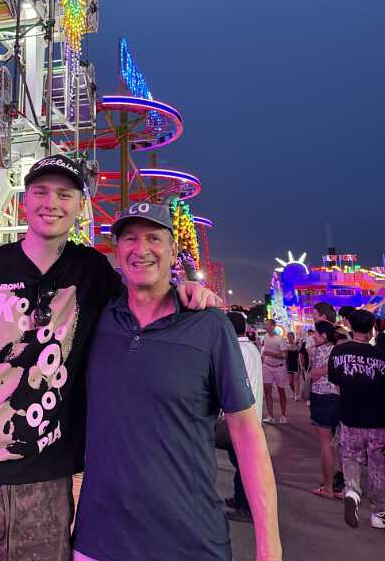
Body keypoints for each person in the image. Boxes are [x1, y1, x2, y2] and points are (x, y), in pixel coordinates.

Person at [0, 156, 220, 561]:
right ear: (24, 201)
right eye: (40, 192)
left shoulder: (91, 272)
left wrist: (183, 291)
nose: (51, 203)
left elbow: (143, 298)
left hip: (43, 489)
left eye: (64, 194)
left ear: (80, 205)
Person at [72, 204, 282, 561]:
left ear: (173, 252)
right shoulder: (96, 319)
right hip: (99, 540)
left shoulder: (210, 327)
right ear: (117, 251)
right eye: (129, 239)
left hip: (189, 541)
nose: (141, 249)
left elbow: (247, 435)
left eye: (154, 238)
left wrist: (269, 544)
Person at [328, 309, 385, 529]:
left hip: (349, 416)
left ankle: (352, 491)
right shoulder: (380, 355)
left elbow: (337, 385)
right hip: (378, 420)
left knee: (351, 457)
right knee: (378, 466)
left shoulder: (338, 352)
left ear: (351, 327)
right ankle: (379, 513)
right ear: (372, 329)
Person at [223, 310, 264, 524]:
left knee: (243, 465)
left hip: (241, 418)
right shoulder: (251, 348)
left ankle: (246, 507)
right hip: (252, 415)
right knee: (242, 462)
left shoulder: (235, 351)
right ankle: (240, 498)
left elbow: (232, 386)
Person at [310, 320, 341, 500]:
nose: (313, 336)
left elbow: (314, 375)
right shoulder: (338, 349)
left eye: (315, 332)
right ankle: (341, 483)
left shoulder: (319, 350)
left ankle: (328, 487)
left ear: (323, 336)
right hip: (338, 398)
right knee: (340, 444)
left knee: (325, 444)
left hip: (322, 399)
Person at [261, 319, 288, 425]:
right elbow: (264, 351)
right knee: (267, 391)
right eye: (265, 325)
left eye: (267, 325)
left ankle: (283, 415)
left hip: (279, 367)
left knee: (281, 391)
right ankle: (270, 415)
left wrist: (270, 354)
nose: (265, 327)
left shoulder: (280, 339)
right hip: (267, 366)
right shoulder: (265, 337)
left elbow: (284, 355)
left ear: (273, 326)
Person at [286, 331, 300, 400]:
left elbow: (300, 356)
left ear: (293, 337)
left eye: (291, 337)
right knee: (290, 382)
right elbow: (285, 357)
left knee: (296, 380)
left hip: (296, 365)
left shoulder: (297, 345)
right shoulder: (286, 345)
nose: (289, 338)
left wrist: (300, 365)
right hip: (289, 365)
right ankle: (294, 392)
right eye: (288, 337)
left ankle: (296, 395)